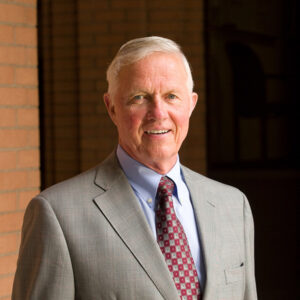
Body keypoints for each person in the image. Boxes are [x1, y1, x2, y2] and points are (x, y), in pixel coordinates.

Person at [12, 36, 257, 300]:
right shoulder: (58, 215)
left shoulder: (234, 206)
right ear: (112, 108)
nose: (158, 112)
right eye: (139, 97)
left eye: (172, 96)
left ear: (191, 104)